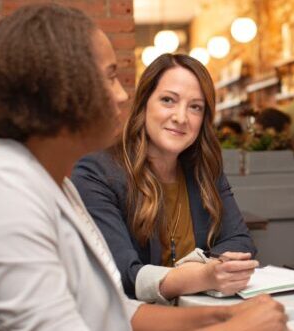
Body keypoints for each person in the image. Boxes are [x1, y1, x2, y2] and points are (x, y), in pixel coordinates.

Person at [0, 4, 286, 331]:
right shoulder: (0, 188)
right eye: (110, 77)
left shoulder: (55, 183)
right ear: (60, 90)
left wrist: (219, 316)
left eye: (195, 107)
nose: (123, 96)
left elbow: (113, 310)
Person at [71, 53, 258, 304]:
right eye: (168, 100)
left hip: (201, 316)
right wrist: (203, 275)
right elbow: (121, 274)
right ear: (144, 103)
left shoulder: (205, 169)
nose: (181, 117)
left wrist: (202, 271)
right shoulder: (97, 174)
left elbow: (241, 242)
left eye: (195, 107)